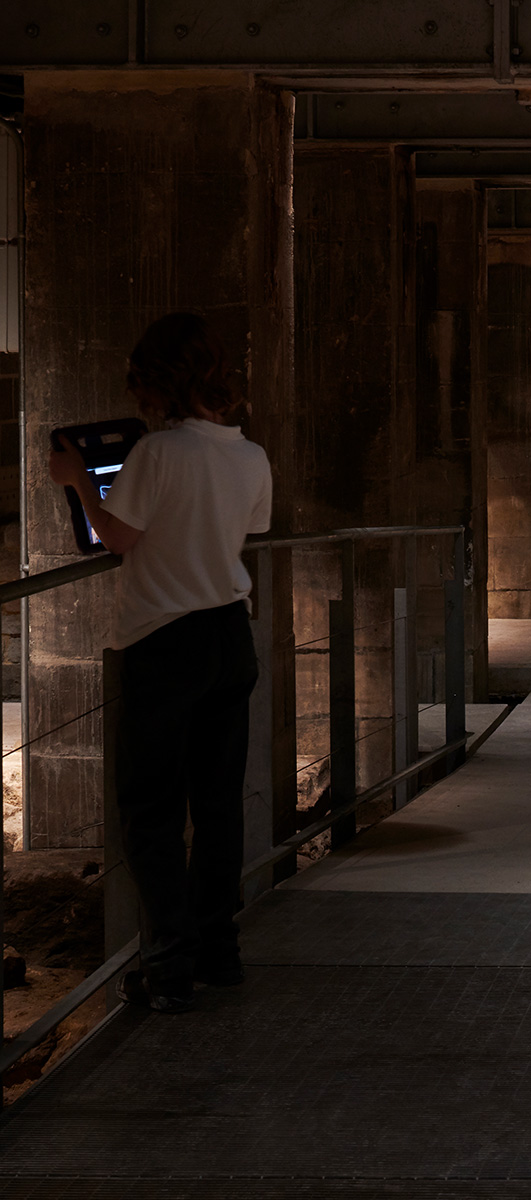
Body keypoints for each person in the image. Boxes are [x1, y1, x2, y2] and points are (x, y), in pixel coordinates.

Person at [48, 313, 273, 1013]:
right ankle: (220, 950)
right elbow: (249, 532)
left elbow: (117, 537)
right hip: (230, 634)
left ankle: (169, 962)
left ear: (157, 379)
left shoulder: (156, 452)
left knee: (149, 809)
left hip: (164, 639)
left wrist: (80, 479)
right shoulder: (251, 456)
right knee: (216, 806)